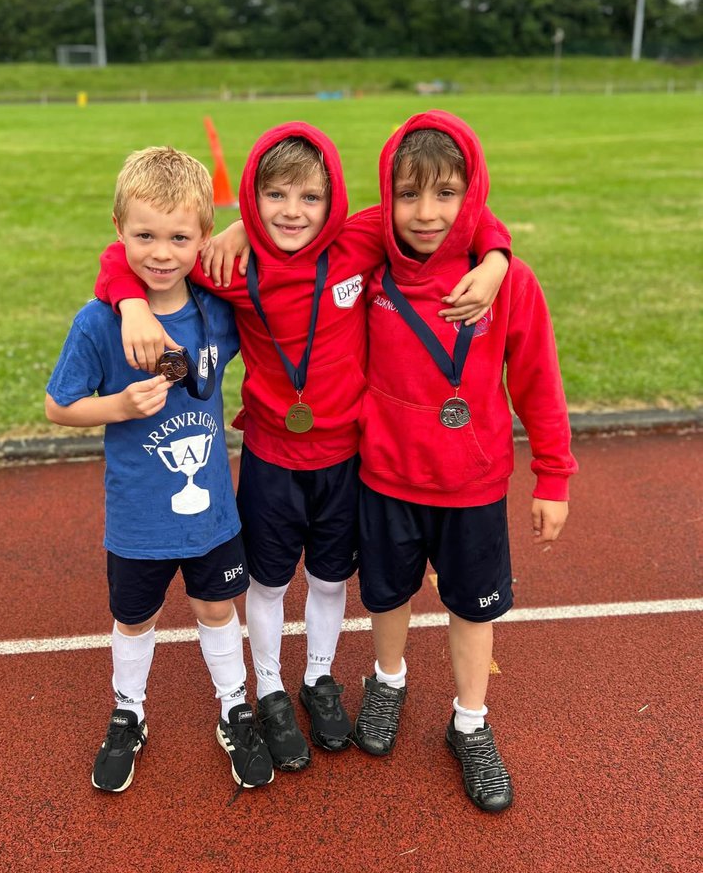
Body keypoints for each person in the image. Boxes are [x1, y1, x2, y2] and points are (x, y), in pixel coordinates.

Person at [93, 122, 512, 774]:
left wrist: (495, 260)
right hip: (270, 455)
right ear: (253, 201)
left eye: (310, 197)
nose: (293, 212)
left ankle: (319, 678)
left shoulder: (359, 240)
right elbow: (138, 251)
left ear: (334, 199)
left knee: (328, 577)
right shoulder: (229, 263)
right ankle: (267, 689)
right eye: (276, 196)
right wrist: (131, 306)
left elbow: (461, 216)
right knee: (266, 580)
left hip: (345, 458)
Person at [353, 110, 577, 813]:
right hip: (385, 473)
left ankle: (469, 723)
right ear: (387, 198)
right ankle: (386, 681)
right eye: (409, 194)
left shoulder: (507, 282)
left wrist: (554, 476)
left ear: (471, 193)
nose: (426, 213)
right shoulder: (371, 269)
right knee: (387, 594)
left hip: (473, 483)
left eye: (446, 193)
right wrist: (239, 226)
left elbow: (538, 380)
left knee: (473, 608)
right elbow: (297, 245)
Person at [45, 146, 273, 795]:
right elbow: (58, 406)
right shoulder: (98, 322)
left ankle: (234, 706)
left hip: (211, 515)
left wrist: (239, 228)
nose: (162, 252)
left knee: (215, 606)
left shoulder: (217, 309)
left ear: (203, 237)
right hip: (138, 517)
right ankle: (129, 711)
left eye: (180, 236)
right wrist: (115, 405)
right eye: (144, 235)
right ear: (119, 233)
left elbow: (272, 255)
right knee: (134, 618)